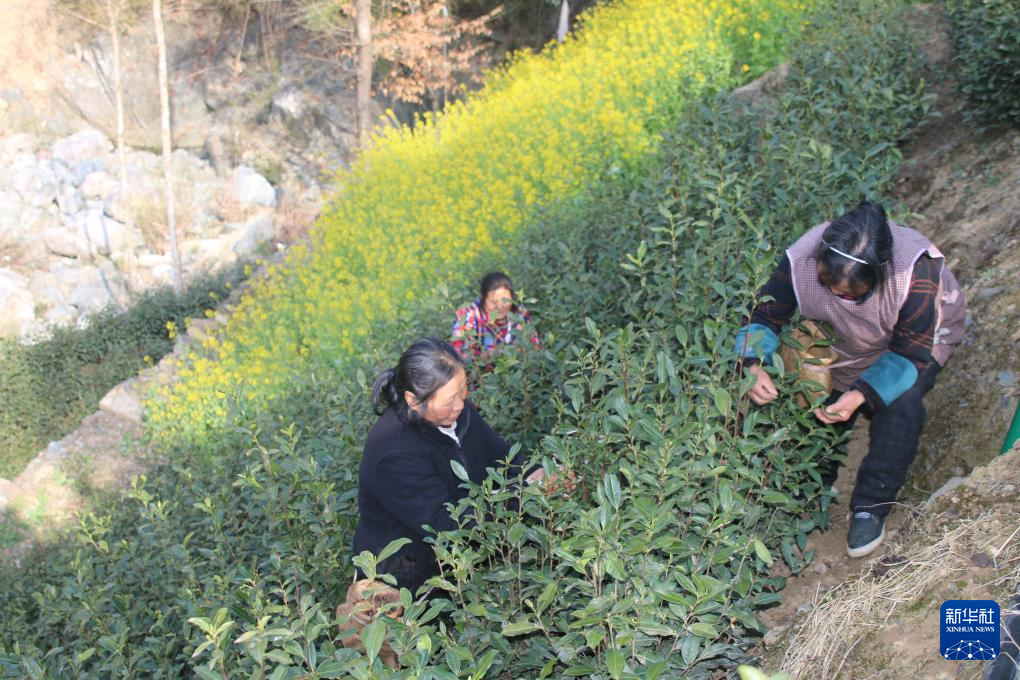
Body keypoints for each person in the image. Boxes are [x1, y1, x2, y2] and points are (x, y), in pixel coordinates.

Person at [735, 201, 966, 558]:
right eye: (830, 284)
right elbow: (765, 315)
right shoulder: (801, 259)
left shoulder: (914, 272)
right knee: (823, 402)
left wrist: (861, 394)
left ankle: (871, 505)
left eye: (853, 292)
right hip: (846, 341)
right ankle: (816, 485)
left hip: (919, 341)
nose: (840, 295)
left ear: (880, 274)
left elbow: (909, 354)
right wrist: (753, 364)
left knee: (900, 403)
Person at [353, 337, 549, 592]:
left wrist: (538, 473)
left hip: (458, 563)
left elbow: (503, 458)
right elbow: (447, 526)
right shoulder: (395, 451)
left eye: (462, 391)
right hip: (407, 582)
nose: (460, 405)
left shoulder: (459, 414)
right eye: (449, 400)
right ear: (413, 400)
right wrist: (525, 493)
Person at [450, 272, 539, 361]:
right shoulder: (470, 316)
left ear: (512, 297)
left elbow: (535, 348)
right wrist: (485, 357)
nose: (499, 307)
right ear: (483, 299)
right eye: (493, 302)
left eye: (505, 301)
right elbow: (457, 355)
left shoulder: (520, 313)